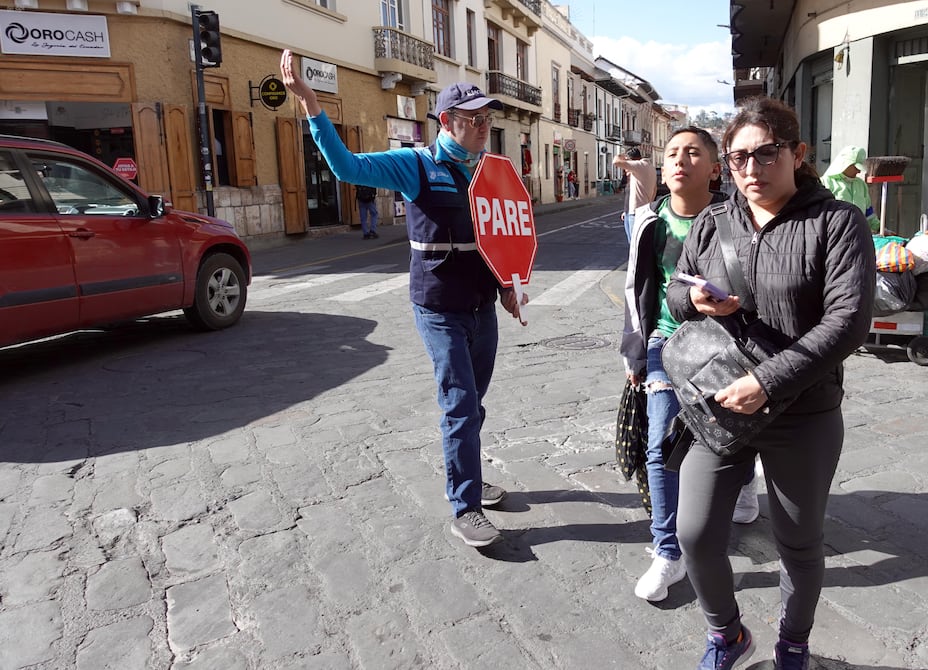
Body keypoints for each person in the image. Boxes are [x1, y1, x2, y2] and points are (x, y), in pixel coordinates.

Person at [280, 50, 528, 548]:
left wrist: (508, 285)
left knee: (473, 404)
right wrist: (310, 104)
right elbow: (346, 167)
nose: (484, 126)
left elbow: (497, 238)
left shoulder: (489, 171)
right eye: (474, 119)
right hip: (437, 308)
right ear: (446, 121)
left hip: (482, 304)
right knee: (459, 403)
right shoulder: (416, 165)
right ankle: (466, 505)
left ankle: (469, 476)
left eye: (487, 118)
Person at [666, 97, 875, 669]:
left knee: (799, 544)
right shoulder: (713, 221)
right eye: (738, 159)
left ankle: (794, 643)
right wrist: (695, 298)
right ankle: (728, 635)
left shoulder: (835, 222)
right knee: (695, 532)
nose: (751, 170)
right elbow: (674, 290)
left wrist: (770, 380)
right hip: (722, 404)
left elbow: (849, 321)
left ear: (798, 154)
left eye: (766, 154)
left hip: (802, 412)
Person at [621, 126, 759, 604]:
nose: (679, 160)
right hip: (664, 341)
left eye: (693, 152)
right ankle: (667, 550)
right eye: (672, 153)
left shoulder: (736, 217)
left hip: (727, 342)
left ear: (716, 169)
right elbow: (634, 288)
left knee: (733, 432)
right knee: (661, 444)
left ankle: (743, 483)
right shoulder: (648, 221)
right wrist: (633, 350)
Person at [821, 145, 881, 232]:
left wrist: (880, 228)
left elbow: (869, 213)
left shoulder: (861, 185)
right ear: (845, 164)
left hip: (858, 235)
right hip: (834, 236)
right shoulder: (825, 183)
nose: (859, 171)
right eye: (856, 167)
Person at [613, 147, 657, 242]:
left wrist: (621, 155)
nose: (625, 169)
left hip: (636, 213)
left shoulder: (640, 165)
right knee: (634, 243)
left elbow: (616, 161)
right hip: (634, 211)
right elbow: (654, 189)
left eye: (627, 165)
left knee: (635, 244)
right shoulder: (647, 168)